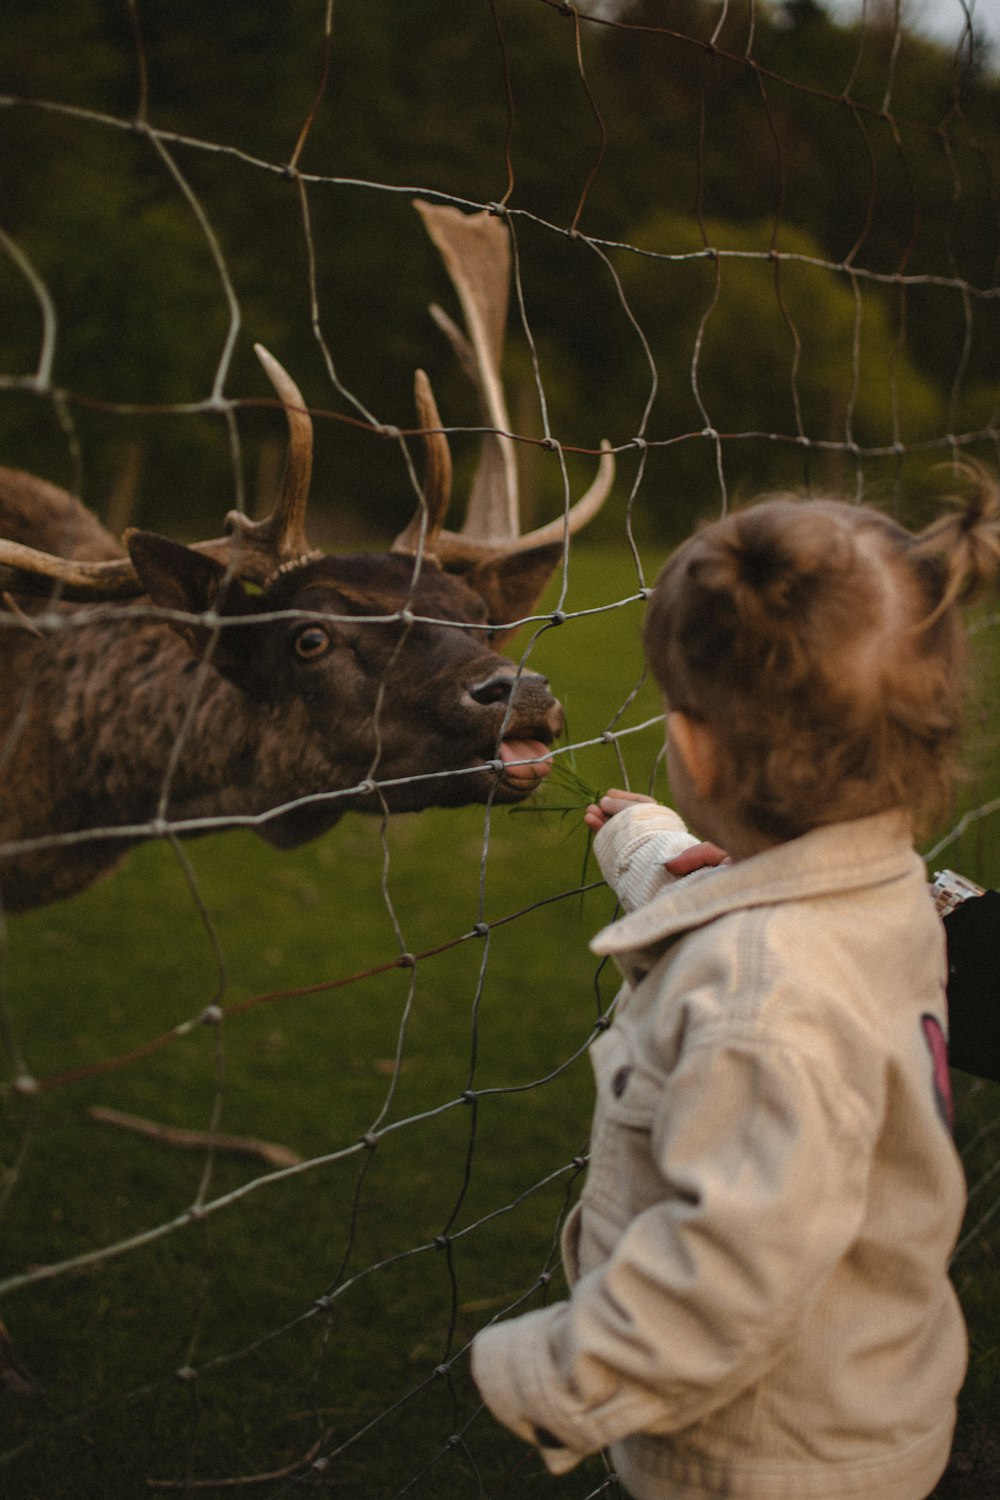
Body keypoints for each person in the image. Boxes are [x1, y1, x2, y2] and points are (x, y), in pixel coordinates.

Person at [472, 472, 1000, 1499]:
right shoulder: (889, 891)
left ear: (699, 744)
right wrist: (642, 844)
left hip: (762, 1462)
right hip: (867, 1402)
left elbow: (724, 1279)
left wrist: (540, 1373)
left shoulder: (764, 1003)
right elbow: (745, 886)